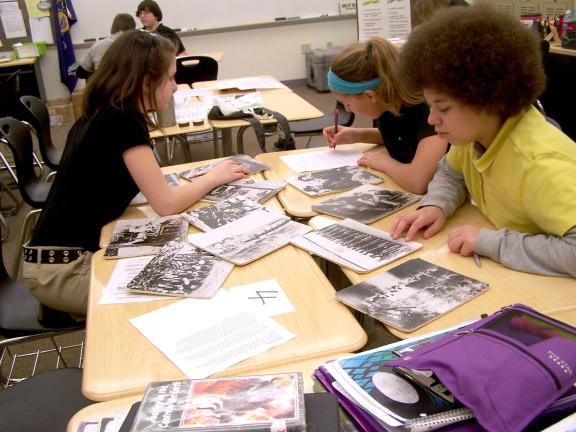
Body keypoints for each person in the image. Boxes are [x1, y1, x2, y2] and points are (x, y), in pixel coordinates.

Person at [22, 30, 247, 316]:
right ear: (144, 82)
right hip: (61, 271)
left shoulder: (106, 111)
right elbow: (166, 204)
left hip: (58, 259)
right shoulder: (122, 120)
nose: (175, 86)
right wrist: (214, 176)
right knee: (170, 304)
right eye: (169, 78)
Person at [390, 2, 576, 277]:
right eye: (430, 107)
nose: (431, 119)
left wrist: (490, 242)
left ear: (489, 98)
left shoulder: (540, 164)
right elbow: (452, 174)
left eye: (443, 108)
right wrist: (436, 205)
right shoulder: (473, 136)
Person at [322, 37, 448, 194]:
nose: (347, 109)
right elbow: (405, 137)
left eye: (347, 103)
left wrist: (384, 163)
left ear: (370, 96)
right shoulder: (385, 101)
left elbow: (418, 181)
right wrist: (356, 135)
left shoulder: (428, 111)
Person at [76, 13, 136, 79]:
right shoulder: (137, 45)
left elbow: (81, 73)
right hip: (129, 86)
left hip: (103, 86)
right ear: (133, 28)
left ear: (113, 26)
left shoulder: (98, 45)